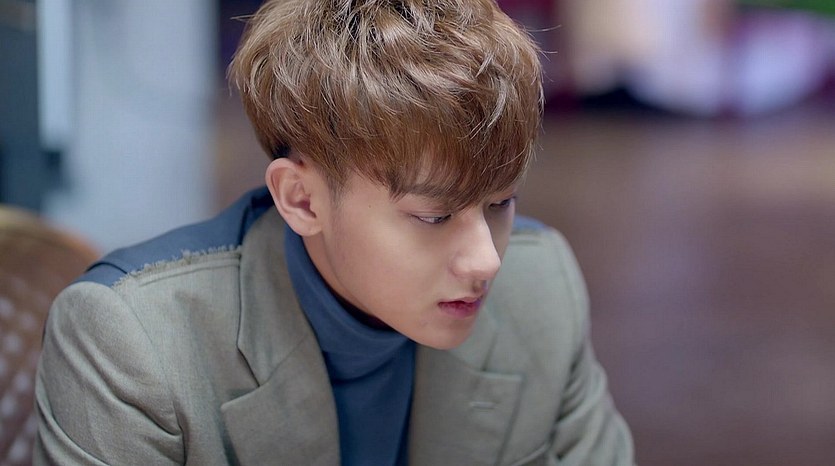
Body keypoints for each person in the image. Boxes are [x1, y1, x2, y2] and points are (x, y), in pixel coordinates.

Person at [34, 0, 634, 464]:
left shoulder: (543, 286)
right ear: (301, 199)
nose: (487, 261)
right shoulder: (132, 342)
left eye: (500, 204)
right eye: (433, 216)